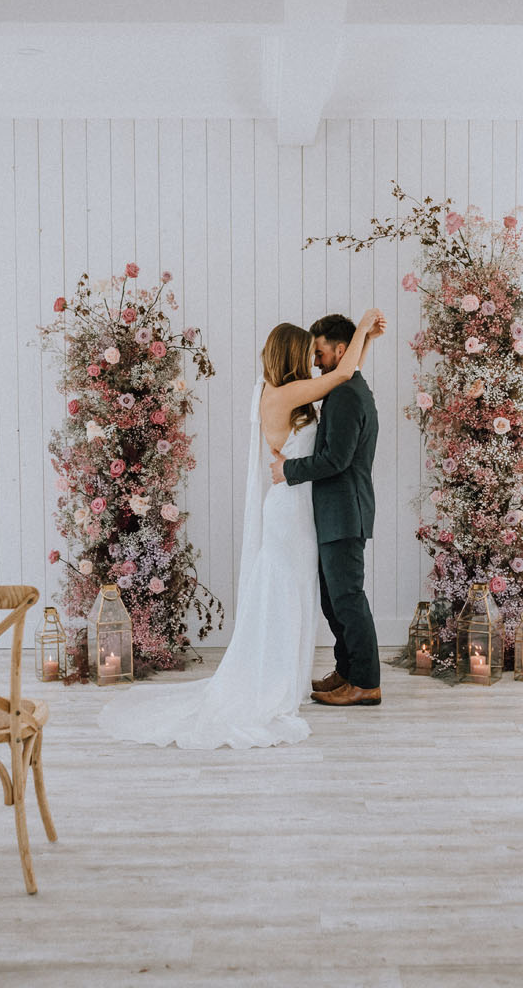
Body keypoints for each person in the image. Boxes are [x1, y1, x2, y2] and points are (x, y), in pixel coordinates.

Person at [98, 309, 384, 749]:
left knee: (315, 595)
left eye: (319, 351)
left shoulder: (298, 391)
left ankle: (338, 676)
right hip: (292, 511)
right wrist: (363, 330)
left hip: (309, 509)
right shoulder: (283, 394)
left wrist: (364, 339)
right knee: (295, 592)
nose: (315, 359)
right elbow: (343, 370)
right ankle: (287, 678)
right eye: (310, 353)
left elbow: (345, 372)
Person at [270, 314, 382, 707]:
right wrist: (365, 338)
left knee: (348, 599)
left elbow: (336, 459)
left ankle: (366, 682)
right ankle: (347, 670)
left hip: (344, 511)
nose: (315, 361)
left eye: (319, 353)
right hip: (336, 512)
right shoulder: (345, 386)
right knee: (334, 601)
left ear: (339, 350)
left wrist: (288, 469)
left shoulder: (348, 394)